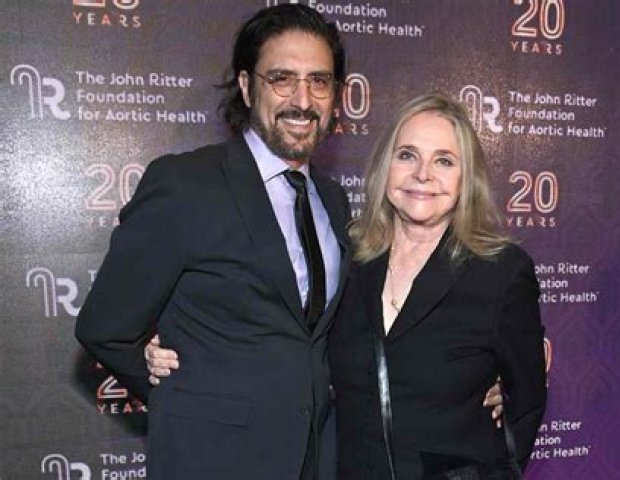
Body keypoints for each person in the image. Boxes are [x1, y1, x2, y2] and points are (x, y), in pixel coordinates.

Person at [146, 93, 545, 479]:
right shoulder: (345, 255)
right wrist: (177, 345)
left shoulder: (501, 271)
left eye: (444, 161)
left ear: (466, 178)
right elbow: (283, 336)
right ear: (386, 167)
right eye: (407, 155)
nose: (423, 174)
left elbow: (527, 403)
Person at [76, 5, 352, 479]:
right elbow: (105, 326)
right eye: (281, 79)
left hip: (314, 459)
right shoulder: (186, 185)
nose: (303, 100)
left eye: (319, 81)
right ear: (246, 86)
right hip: (211, 459)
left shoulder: (332, 199)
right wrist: (172, 389)